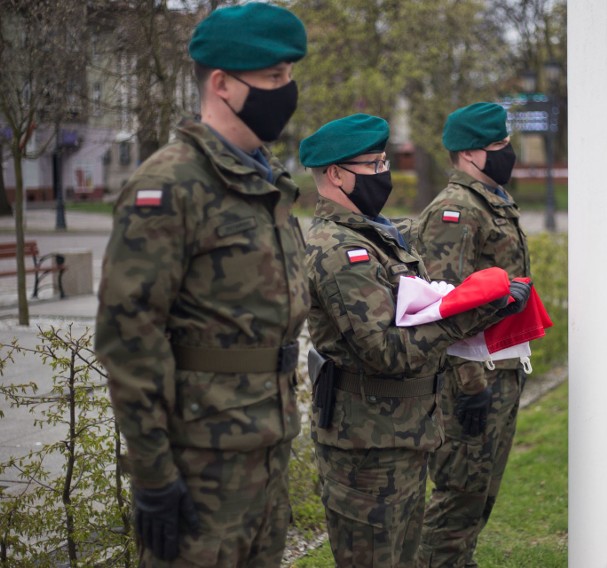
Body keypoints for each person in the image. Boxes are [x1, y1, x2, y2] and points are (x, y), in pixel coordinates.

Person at [94, 3, 309, 565]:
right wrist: (153, 476)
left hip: (267, 451)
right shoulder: (170, 185)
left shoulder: (266, 182)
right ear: (222, 84)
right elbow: (129, 339)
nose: (287, 91)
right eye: (272, 78)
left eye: (288, 76)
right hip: (198, 466)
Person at [299, 113, 531, 567]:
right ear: (335, 174)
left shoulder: (375, 236)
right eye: (374, 165)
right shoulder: (340, 250)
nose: (384, 174)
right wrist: (476, 313)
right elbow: (387, 350)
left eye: (385, 162)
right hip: (366, 447)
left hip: (398, 435)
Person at [415, 102, 531, 567]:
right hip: (473, 377)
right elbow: (443, 308)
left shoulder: (490, 200)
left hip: (497, 366)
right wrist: (468, 383)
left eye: (505, 142)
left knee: (479, 494)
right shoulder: (456, 211)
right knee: (458, 494)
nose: (507, 152)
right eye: (497, 146)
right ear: (468, 154)